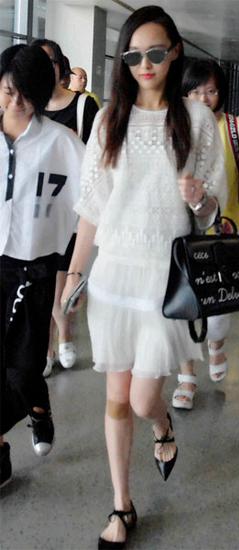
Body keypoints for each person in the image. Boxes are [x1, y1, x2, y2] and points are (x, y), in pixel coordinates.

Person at [60, 6, 225, 547]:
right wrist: (74, 276)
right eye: (133, 56)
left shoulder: (196, 119)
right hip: (114, 277)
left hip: (166, 281)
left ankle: (161, 423)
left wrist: (199, 199)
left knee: (141, 397)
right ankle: (121, 505)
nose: (145, 64)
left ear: (175, 52)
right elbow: (92, 209)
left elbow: (212, 213)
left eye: (156, 52)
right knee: (115, 396)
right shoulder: (109, 119)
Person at [0, 45, 84, 486]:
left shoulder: (62, 143)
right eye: (8, 91)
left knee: (23, 366)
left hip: (34, 269)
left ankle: (37, 402)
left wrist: (79, 271)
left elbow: (94, 206)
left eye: (25, 95)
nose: (16, 103)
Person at [175, 58, 239, 409]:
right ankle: (186, 376)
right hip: (180, 231)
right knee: (184, 303)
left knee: (217, 307)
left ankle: (216, 344)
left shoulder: (237, 127)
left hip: (222, 231)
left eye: (211, 91)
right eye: (195, 91)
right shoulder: (176, 128)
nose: (203, 98)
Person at [32, 38, 100, 377]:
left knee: (58, 284)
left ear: (61, 66)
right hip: (35, 209)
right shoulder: (28, 105)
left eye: (50, 61)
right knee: (42, 282)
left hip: (71, 210)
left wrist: (73, 143)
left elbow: (100, 159)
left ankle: (63, 333)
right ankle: (49, 345)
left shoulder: (85, 106)